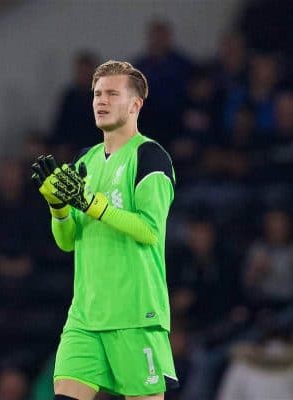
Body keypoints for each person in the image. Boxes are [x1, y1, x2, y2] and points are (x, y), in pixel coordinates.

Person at [31, 60, 178, 399]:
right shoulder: (85, 161)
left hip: (135, 314)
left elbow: (150, 230)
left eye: (112, 93)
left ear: (135, 104)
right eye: (97, 93)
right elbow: (68, 242)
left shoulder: (150, 156)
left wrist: (89, 203)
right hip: (85, 315)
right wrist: (59, 208)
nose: (101, 100)